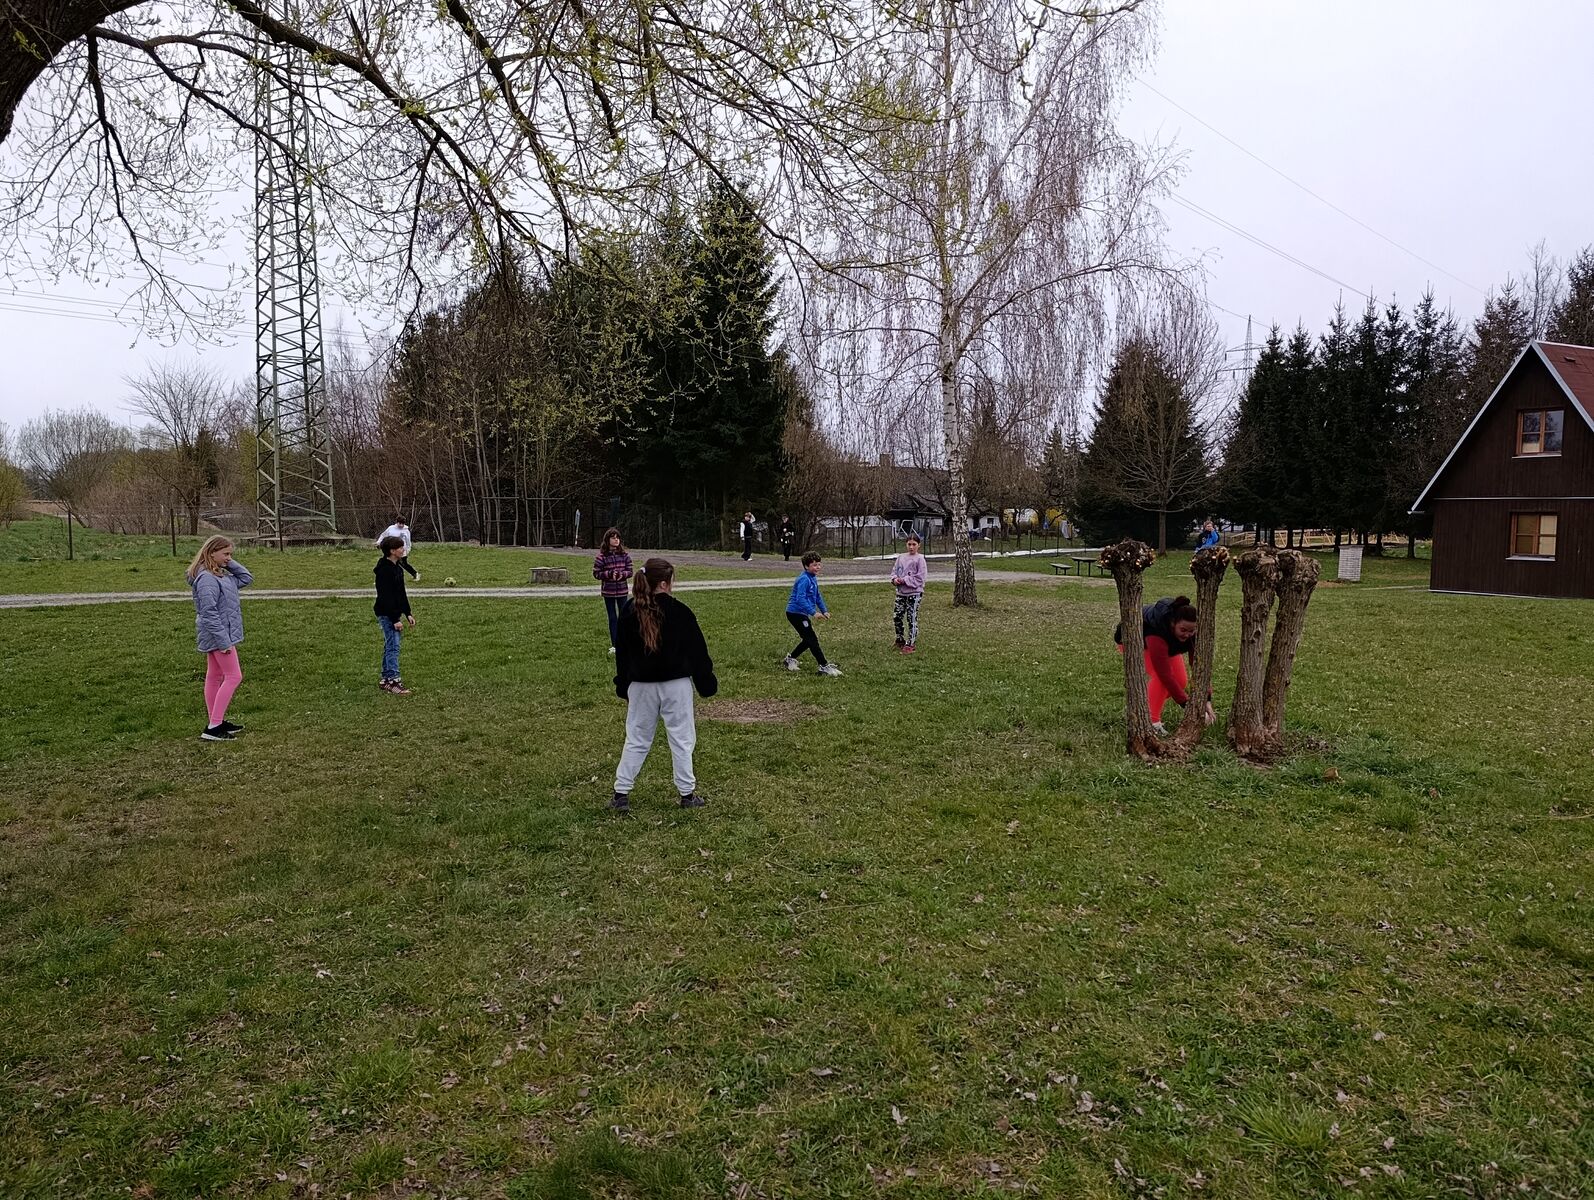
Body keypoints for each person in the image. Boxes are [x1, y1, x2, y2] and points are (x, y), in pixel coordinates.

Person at [611, 557, 717, 814]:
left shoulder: (628, 612)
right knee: (682, 738)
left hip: (641, 685)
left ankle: (621, 793)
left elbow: (622, 655)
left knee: (637, 738)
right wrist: (705, 682)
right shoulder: (680, 612)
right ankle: (687, 794)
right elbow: (698, 653)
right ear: (663, 583)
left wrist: (623, 684)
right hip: (675, 685)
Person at [1113, 595, 1214, 737]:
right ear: (1173, 624)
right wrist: (1187, 705)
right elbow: (1164, 675)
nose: (1187, 635)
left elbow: (1199, 667)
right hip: (1135, 642)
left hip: (1169, 646)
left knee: (1180, 682)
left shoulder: (1193, 634)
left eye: (1191, 631)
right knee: (1162, 679)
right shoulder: (1156, 633)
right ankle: (1150, 722)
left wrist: (1207, 699)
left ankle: (1142, 706)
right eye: (1183, 630)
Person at [187, 534, 252, 741]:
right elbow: (208, 613)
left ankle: (215, 721)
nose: (229, 558)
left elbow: (246, 578)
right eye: (225, 554)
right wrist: (223, 641)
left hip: (220, 633)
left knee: (214, 676)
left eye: (230, 554)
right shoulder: (207, 579)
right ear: (211, 553)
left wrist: (227, 562)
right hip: (218, 635)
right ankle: (213, 727)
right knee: (234, 676)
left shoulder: (221, 576)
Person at [784, 552, 841, 676]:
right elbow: (800, 599)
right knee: (811, 639)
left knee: (808, 639)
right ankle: (823, 666)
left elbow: (817, 596)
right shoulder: (804, 579)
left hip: (802, 614)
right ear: (806, 566)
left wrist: (824, 610)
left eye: (819, 564)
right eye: (814, 565)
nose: (818, 567)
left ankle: (790, 659)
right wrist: (813, 612)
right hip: (795, 613)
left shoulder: (812, 578)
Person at [375, 534, 417, 695]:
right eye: (400, 547)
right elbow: (386, 597)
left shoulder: (397, 568)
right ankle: (393, 681)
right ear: (392, 551)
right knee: (393, 647)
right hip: (386, 613)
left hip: (394, 612)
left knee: (390, 645)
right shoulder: (384, 571)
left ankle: (385, 679)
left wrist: (408, 613)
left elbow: (400, 593)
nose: (403, 549)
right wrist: (395, 619)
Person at [592, 527, 634, 654]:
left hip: (622, 591)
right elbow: (596, 573)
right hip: (608, 592)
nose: (616, 540)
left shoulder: (625, 555)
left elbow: (630, 571)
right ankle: (615, 644)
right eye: (613, 537)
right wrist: (609, 574)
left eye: (618, 538)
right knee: (612, 618)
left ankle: (626, 642)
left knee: (624, 616)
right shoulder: (601, 557)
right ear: (607, 540)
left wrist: (622, 574)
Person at [889, 532, 928, 653]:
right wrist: (895, 579)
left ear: (918, 545)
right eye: (909, 544)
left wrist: (905, 580)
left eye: (914, 544)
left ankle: (911, 643)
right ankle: (899, 639)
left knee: (911, 618)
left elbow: (920, 578)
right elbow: (894, 572)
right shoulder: (900, 558)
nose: (911, 547)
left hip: (914, 594)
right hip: (901, 594)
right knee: (897, 617)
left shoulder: (920, 559)